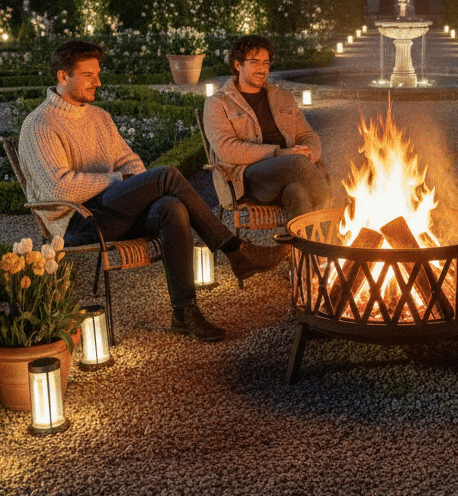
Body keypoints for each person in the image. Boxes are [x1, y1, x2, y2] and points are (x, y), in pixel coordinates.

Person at [18, 40, 286, 343]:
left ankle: (184, 313)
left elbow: (132, 162)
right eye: (89, 75)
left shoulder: (99, 117)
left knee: (171, 206)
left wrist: (135, 187)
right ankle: (235, 250)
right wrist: (119, 180)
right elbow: (59, 186)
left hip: (112, 213)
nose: (99, 82)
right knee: (167, 175)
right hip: (76, 223)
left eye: (98, 73)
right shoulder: (39, 125)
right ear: (62, 76)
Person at [203, 35, 331, 219]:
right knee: (297, 163)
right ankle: (337, 222)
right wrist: (282, 154)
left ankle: (303, 246)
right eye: (255, 62)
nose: (262, 69)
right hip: (249, 180)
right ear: (238, 65)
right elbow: (226, 150)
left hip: (288, 173)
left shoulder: (283, 97)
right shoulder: (218, 103)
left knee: (296, 192)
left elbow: (308, 135)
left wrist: (308, 153)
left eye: (266, 63)